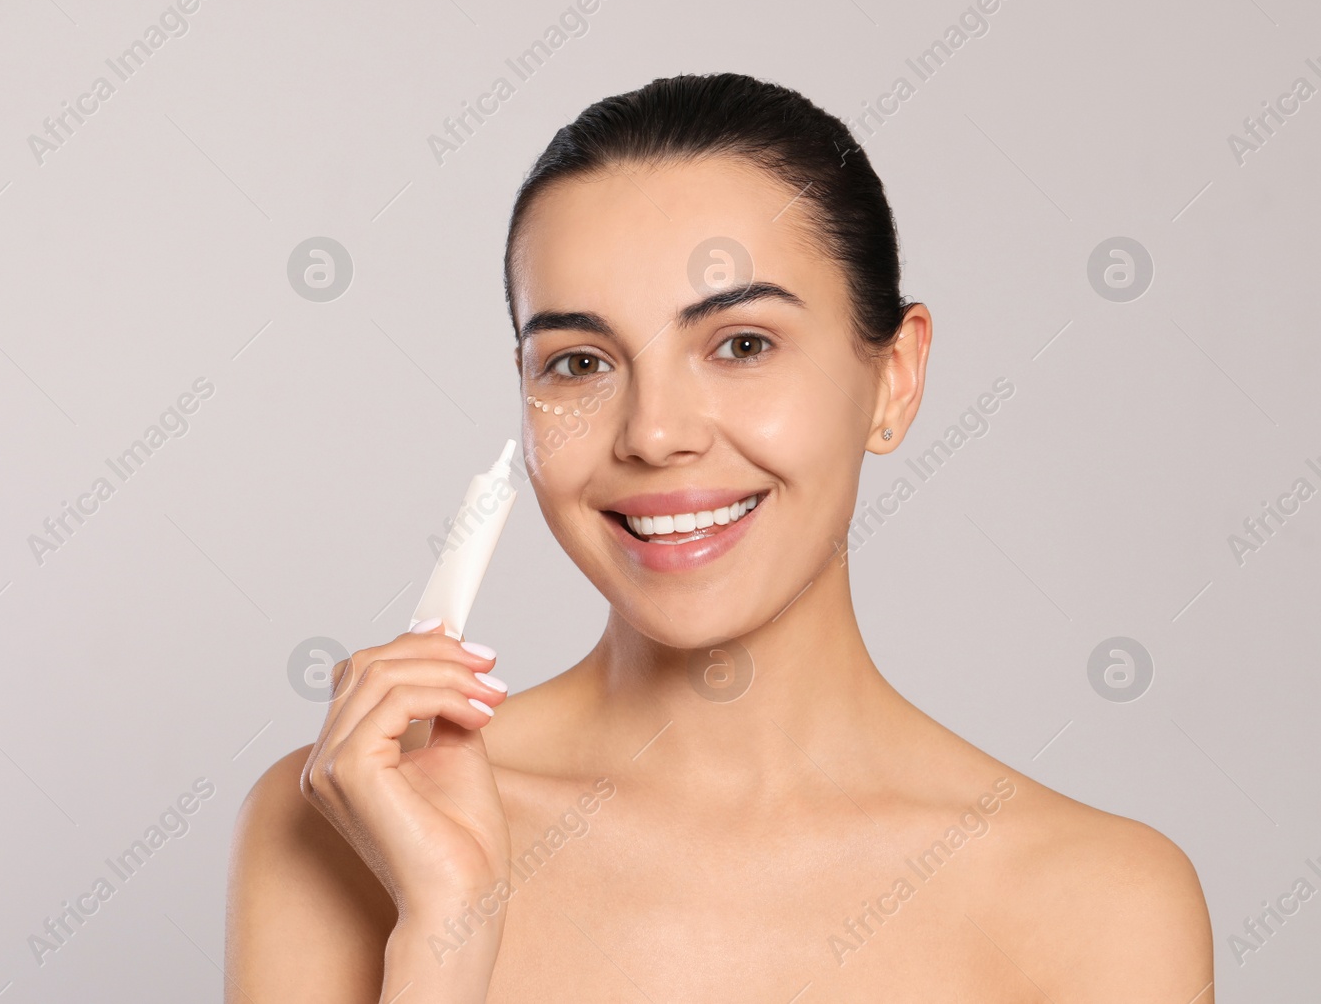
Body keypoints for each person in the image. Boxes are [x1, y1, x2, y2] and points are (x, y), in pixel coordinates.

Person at [224, 72, 1213, 1003]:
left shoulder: (1100, 902)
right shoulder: (349, 824)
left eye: (741, 344)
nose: (654, 433)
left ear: (894, 378)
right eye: (578, 362)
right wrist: (445, 927)